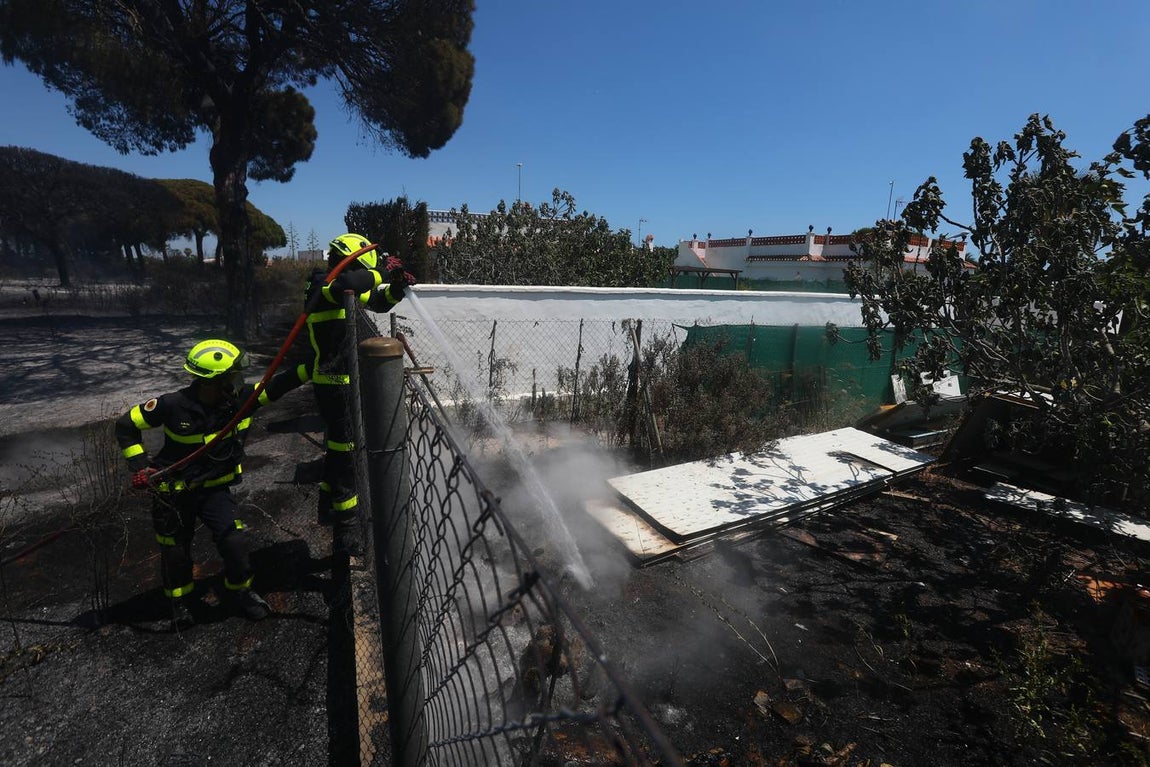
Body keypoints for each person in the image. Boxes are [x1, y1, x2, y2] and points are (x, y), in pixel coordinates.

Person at [115, 338, 308, 628]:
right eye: (231, 377)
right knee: (176, 552)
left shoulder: (239, 400)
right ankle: (180, 602)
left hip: (213, 489)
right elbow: (126, 425)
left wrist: (313, 366)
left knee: (234, 542)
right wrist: (140, 465)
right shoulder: (171, 405)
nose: (237, 381)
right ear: (212, 382)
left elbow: (276, 386)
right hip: (172, 494)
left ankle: (241, 593)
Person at [303, 233, 414, 553]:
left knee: (340, 453)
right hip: (335, 386)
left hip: (344, 384)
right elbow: (348, 285)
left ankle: (328, 504)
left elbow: (377, 302)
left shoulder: (339, 288)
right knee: (349, 456)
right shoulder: (324, 283)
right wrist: (380, 269)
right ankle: (347, 529)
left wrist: (396, 287)